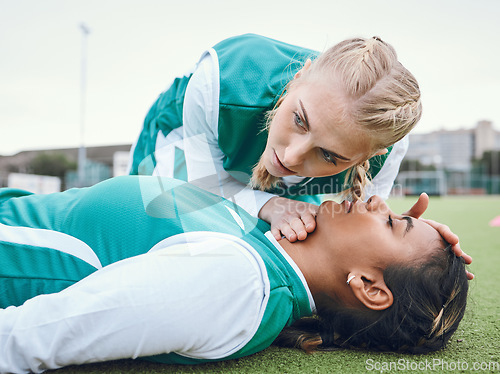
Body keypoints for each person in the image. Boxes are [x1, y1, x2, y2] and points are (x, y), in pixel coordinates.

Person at [0, 176, 469, 372]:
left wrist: (390, 252)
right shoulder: (277, 239)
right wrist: (394, 246)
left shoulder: (237, 285)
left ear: (367, 286)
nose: (378, 200)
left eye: (392, 221)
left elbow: (32, 335)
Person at [128, 33, 423, 242]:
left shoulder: (387, 148)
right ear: (299, 77)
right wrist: (269, 205)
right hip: (176, 146)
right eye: (299, 120)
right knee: (162, 230)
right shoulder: (221, 82)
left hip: (275, 184)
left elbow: (361, 240)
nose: (291, 157)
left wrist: (413, 250)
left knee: (297, 238)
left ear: (371, 156)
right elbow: (197, 185)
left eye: (329, 155)